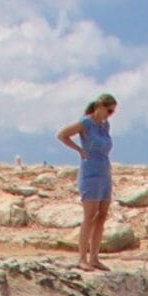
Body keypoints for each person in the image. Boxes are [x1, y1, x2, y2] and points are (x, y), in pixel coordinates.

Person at [57, 94, 117, 268]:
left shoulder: (105, 125)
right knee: (89, 215)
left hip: (104, 171)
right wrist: (79, 150)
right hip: (90, 172)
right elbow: (62, 135)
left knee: (102, 215)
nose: (110, 114)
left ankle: (95, 258)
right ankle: (82, 258)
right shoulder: (85, 123)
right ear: (99, 107)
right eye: (109, 110)